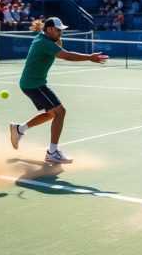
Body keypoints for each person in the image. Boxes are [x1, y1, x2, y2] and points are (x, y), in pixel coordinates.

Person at [9, 18, 108, 164]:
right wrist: (90, 58)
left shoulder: (43, 37)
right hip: (33, 84)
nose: (60, 32)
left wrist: (58, 38)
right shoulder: (44, 42)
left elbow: (60, 47)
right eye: (58, 30)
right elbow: (66, 55)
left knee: (51, 114)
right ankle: (52, 152)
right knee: (60, 112)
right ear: (48, 29)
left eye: (61, 30)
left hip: (32, 83)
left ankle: (19, 129)